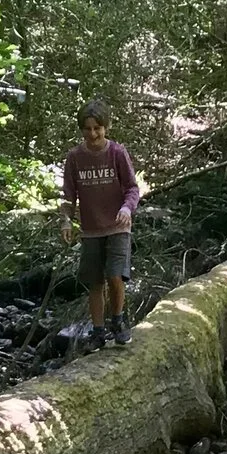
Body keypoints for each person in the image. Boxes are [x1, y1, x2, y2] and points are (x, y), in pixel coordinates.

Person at [59, 101, 141, 347]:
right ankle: (97, 331)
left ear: (106, 127)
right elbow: (68, 195)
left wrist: (127, 208)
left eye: (98, 128)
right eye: (87, 128)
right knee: (94, 282)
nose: (93, 134)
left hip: (117, 226)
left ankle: (118, 320)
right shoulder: (75, 158)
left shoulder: (117, 152)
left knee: (115, 276)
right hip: (91, 229)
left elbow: (132, 188)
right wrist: (66, 221)